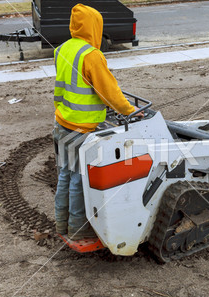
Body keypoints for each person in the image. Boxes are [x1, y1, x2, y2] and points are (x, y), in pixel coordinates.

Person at [53, 4, 142, 242]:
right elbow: (109, 93)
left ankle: (61, 224)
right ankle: (78, 230)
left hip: (62, 122)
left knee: (64, 173)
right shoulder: (91, 55)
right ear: (94, 26)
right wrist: (130, 110)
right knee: (79, 179)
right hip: (81, 128)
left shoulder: (61, 49)